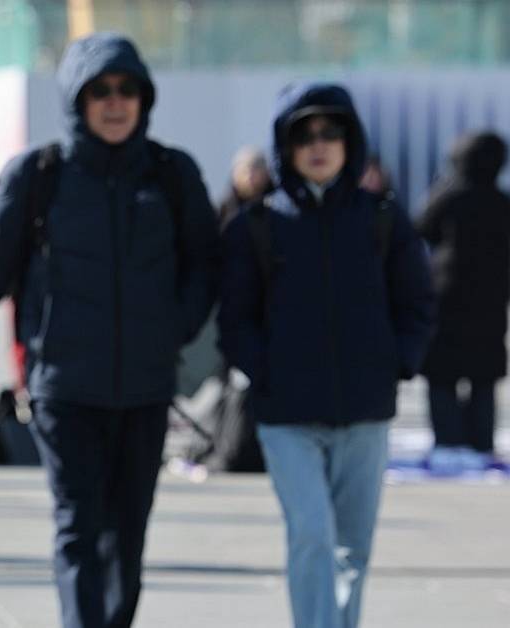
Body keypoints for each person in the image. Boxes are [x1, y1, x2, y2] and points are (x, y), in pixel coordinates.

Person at [0, 33, 219, 627]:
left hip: (145, 388)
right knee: (79, 526)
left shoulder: (172, 174)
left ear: (143, 98)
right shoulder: (39, 175)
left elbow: (206, 266)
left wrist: (174, 329)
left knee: (128, 533)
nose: (115, 103)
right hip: (63, 388)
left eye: (126, 90)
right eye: (100, 91)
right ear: (77, 99)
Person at [218, 83, 435, 628]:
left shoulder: (383, 218)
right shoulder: (255, 226)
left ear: (350, 141)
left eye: (330, 131)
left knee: (353, 548)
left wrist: (397, 363)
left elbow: (417, 302)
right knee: (312, 533)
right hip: (287, 416)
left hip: (365, 411)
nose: (318, 144)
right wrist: (264, 371)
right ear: (284, 147)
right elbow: (234, 318)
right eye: (303, 134)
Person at [417, 132, 510, 473]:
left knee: (442, 376)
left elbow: (422, 229)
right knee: (483, 378)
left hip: (447, 299)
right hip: (491, 303)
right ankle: (480, 443)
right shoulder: (503, 202)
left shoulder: (448, 197)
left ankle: (448, 441)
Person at [218, 145, 272, 226]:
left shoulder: (279, 205)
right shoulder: (224, 211)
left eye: (255, 169)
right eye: (244, 171)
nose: (249, 176)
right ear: (235, 175)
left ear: (266, 173)